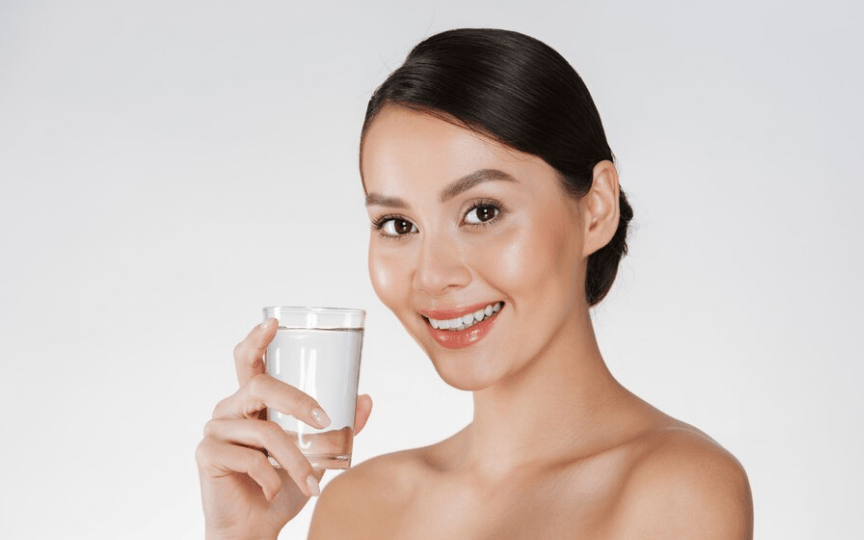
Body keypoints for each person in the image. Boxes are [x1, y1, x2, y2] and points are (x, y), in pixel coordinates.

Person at [196, 28, 753, 540]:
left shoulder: (677, 490)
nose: (433, 275)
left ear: (596, 210)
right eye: (398, 225)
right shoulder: (359, 507)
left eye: (483, 212)